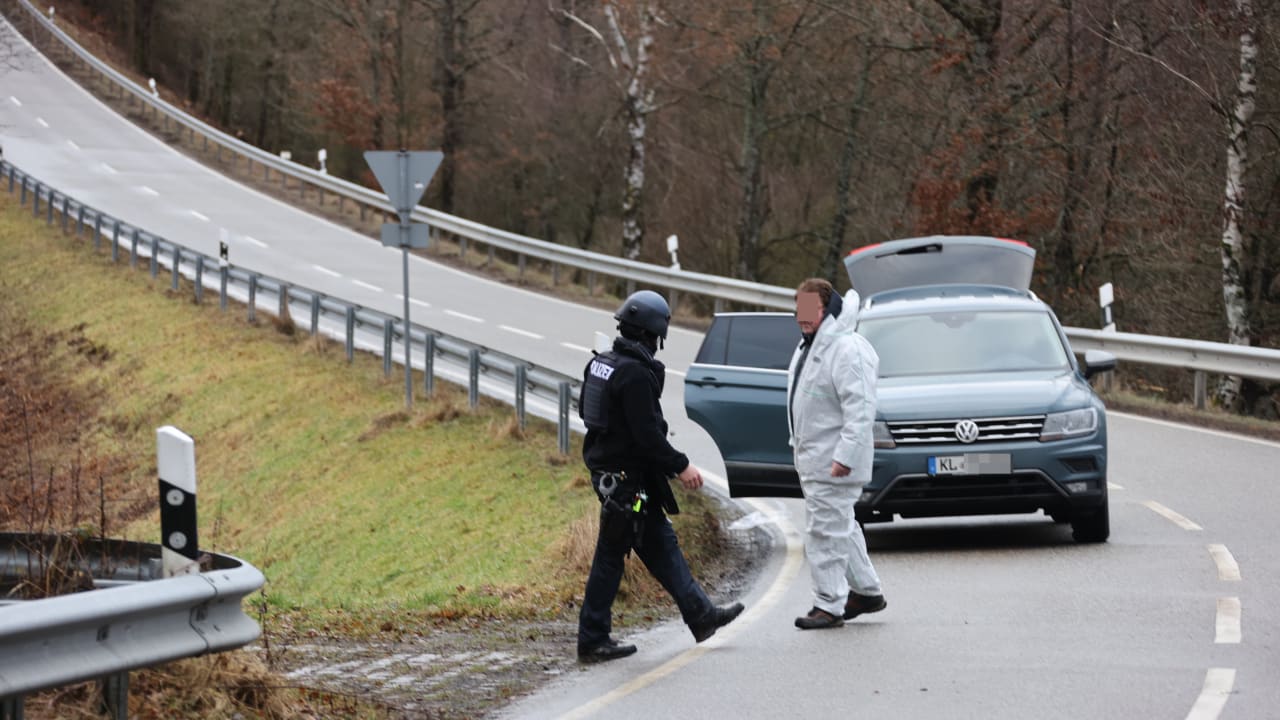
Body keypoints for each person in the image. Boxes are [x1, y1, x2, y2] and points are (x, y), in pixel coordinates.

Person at [576, 289, 745, 662]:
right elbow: (648, 436)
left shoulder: (601, 364)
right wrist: (682, 465)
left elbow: (588, 415)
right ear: (652, 335)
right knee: (611, 556)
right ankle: (592, 639)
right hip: (626, 481)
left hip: (614, 477)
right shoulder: (635, 374)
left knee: (659, 543)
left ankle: (701, 616)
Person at [787, 278, 887, 630]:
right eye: (798, 308)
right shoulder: (811, 346)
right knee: (841, 527)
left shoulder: (847, 348)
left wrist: (845, 456)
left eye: (809, 309)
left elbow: (860, 408)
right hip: (818, 460)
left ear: (826, 309)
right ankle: (867, 591)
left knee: (824, 532)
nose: (802, 317)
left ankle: (828, 604)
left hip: (835, 463)